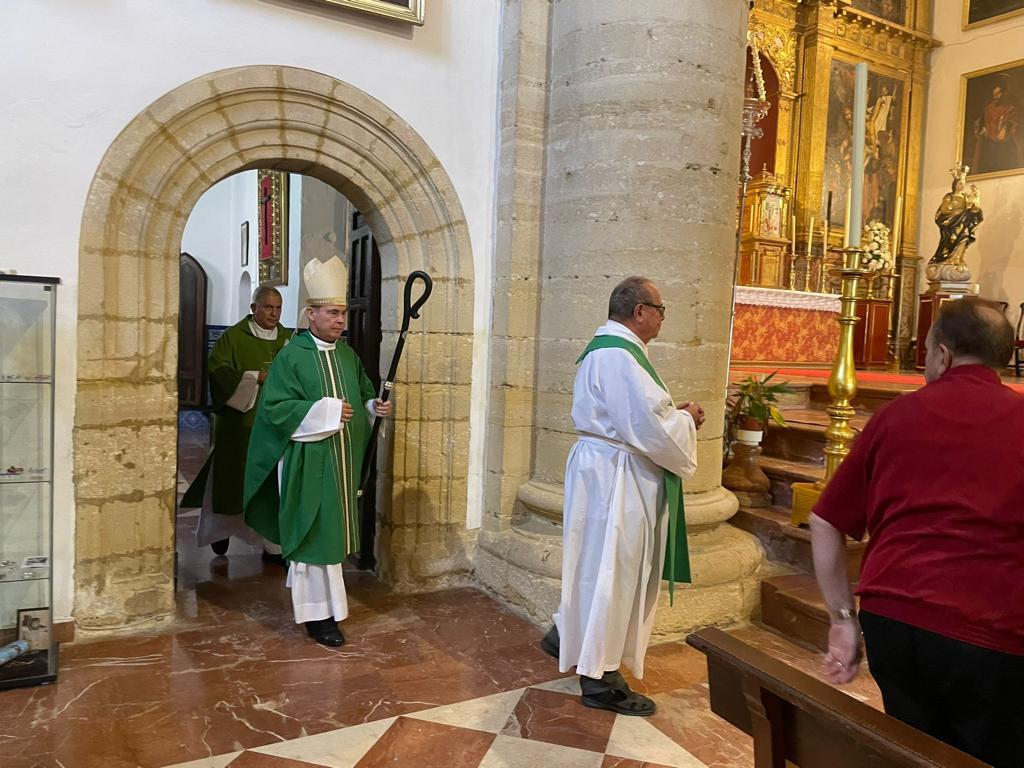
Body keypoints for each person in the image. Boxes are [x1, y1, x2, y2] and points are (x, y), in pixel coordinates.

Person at [810, 298, 1024, 768]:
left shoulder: (895, 416)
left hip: (894, 620)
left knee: (914, 749)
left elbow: (825, 519)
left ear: (942, 355)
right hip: (991, 630)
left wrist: (843, 619)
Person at [543, 276, 705, 716]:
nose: (662, 318)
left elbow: (638, 417)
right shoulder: (618, 356)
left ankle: (568, 634)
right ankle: (601, 680)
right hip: (618, 477)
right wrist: (688, 419)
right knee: (616, 570)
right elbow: (650, 426)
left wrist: (676, 419)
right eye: (660, 309)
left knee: (598, 565)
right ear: (639, 311)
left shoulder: (610, 350)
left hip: (607, 469)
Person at [243, 256, 391, 647]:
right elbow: (275, 411)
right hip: (308, 462)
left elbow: (360, 397)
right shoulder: (292, 357)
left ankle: (329, 610)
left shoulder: (346, 355)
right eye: (332, 313)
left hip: (339, 463)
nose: (340, 320)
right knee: (312, 537)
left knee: (331, 539)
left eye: (342, 313)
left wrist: (373, 407)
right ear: (311, 314)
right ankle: (316, 616)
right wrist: (323, 411)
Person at [181, 286, 293, 557]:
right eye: (268, 307)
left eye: (278, 308)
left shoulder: (289, 339)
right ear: (254, 308)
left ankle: (272, 544)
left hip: (276, 425)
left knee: (272, 485)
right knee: (232, 482)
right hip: (239, 425)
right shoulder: (232, 338)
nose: (274, 314)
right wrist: (254, 377)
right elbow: (219, 372)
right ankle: (221, 533)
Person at [971, 80, 1022, 175]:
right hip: (990, 143)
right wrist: (982, 128)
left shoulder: (1010, 106)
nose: (996, 97)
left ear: (1004, 93)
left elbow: (1014, 118)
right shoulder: (988, 108)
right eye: (994, 94)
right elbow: (981, 122)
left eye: (998, 94)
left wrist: (1005, 128)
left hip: (1006, 144)